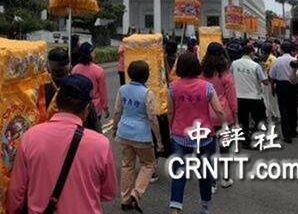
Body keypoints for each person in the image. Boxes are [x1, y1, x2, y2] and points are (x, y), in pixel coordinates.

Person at [8, 74, 118, 213]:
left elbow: (16, 191)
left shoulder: (30, 136)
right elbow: (108, 192)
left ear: (57, 103)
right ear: (87, 108)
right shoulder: (101, 144)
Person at [168, 52, 226, 214]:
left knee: (179, 173)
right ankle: (205, 208)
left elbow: (170, 112)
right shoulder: (206, 87)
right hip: (205, 137)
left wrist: (170, 129)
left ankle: (175, 208)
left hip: (180, 135)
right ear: (196, 66)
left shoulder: (173, 86)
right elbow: (219, 110)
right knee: (205, 174)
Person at [113, 60, 162, 212]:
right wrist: (159, 140)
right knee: (149, 164)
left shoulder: (122, 89)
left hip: (124, 132)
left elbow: (117, 111)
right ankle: (136, 193)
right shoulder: (147, 93)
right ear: (146, 76)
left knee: (127, 165)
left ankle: (125, 198)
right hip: (142, 136)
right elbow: (152, 118)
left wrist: (115, 127)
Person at [201, 42, 237, 189]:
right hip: (224, 115)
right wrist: (236, 116)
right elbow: (232, 98)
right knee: (225, 149)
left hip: (205, 115)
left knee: (208, 150)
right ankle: (225, 179)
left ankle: (211, 182)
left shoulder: (201, 73)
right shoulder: (226, 74)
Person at [44, 47, 101, 132]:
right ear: (69, 67)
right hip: (79, 138)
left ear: (48, 67)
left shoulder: (41, 88)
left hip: (47, 136)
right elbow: (94, 123)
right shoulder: (80, 86)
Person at [230, 44, 268, 147]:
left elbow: (230, 77)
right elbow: (265, 82)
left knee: (243, 120)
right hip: (254, 97)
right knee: (259, 119)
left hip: (239, 96)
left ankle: (245, 141)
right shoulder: (256, 65)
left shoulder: (234, 63)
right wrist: (265, 71)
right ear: (251, 53)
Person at [269, 41, 298, 143]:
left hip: (281, 86)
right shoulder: (295, 60)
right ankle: (293, 130)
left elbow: (272, 75)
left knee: (284, 110)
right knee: (293, 109)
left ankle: (287, 135)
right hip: (293, 86)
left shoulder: (277, 60)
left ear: (281, 49)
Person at [72, 42, 110, 119]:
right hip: (94, 108)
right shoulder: (99, 71)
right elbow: (102, 92)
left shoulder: (75, 69)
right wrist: (105, 108)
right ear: (90, 54)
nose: (95, 54)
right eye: (93, 52)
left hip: (78, 108)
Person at [260, 42, 281, 123]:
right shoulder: (273, 58)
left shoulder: (260, 57)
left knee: (265, 98)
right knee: (273, 99)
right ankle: (276, 115)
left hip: (263, 80)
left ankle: (268, 115)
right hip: (272, 81)